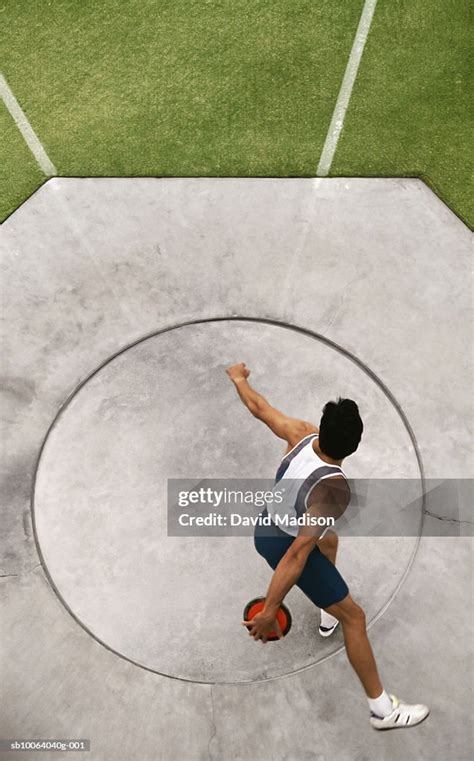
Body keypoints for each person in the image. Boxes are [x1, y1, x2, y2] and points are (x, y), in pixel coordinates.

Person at [226, 362, 429, 730]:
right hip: (281, 543)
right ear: (353, 447)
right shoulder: (333, 491)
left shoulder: (301, 433)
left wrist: (239, 378)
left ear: (322, 427)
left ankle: (325, 611)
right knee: (356, 617)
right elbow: (296, 555)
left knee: (329, 539)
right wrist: (270, 609)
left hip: (267, 523)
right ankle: (382, 710)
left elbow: (258, 407)